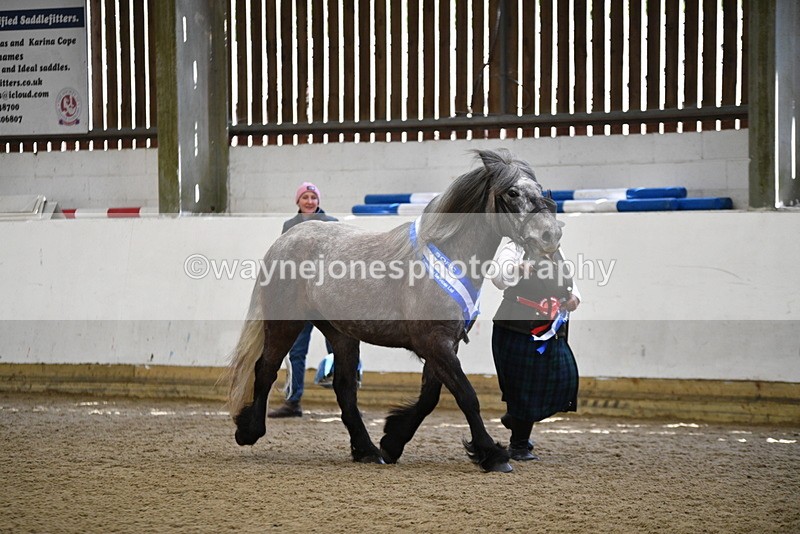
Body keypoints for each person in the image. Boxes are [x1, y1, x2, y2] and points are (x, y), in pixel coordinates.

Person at [490, 240, 581, 460]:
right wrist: (517, 268)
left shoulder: (558, 251)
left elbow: (570, 285)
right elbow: (498, 278)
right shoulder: (516, 248)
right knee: (524, 389)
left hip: (552, 330)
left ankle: (515, 418)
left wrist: (575, 298)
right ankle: (518, 445)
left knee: (565, 379)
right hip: (516, 328)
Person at [268, 182, 338, 418]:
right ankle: (293, 401)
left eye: (313, 197)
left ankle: (346, 396)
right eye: (305, 197)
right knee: (296, 351)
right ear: (297, 201)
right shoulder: (289, 227)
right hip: (300, 299)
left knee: (338, 348)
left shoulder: (332, 225)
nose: (309, 201)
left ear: (318, 201)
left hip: (327, 299)